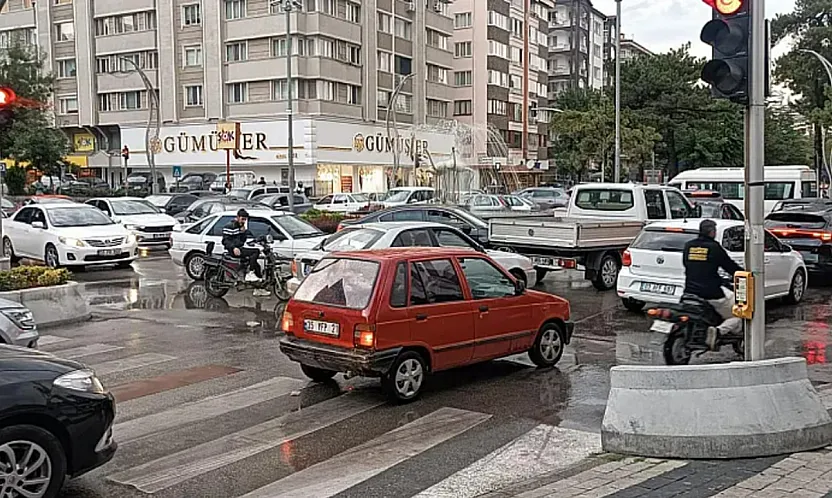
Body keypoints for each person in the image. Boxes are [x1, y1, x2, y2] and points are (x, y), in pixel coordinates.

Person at [682, 219, 744, 350]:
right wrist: (744, 275)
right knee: (739, 313)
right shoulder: (714, 247)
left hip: (690, 292)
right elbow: (730, 266)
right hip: (711, 294)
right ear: (712, 232)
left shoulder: (688, 246)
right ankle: (718, 331)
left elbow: (691, 267)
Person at [222, 209, 262, 283]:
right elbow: (225, 241)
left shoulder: (241, 227)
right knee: (256, 252)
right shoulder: (230, 226)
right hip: (233, 250)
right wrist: (233, 248)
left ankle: (259, 286)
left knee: (256, 265)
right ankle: (250, 273)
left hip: (240, 248)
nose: (243, 221)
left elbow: (242, 240)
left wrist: (243, 233)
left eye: (245, 219)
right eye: (242, 219)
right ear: (237, 217)